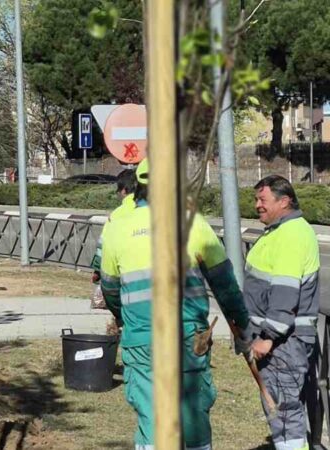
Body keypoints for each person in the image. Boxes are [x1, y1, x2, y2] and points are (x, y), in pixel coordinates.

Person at [100, 158, 252, 450]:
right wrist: (242, 326)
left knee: (152, 420)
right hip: (187, 340)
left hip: (143, 342)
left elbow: (109, 288)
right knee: (193, 421)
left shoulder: (118, 228)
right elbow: (225, 285)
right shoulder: (192, 223)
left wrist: (126, 318)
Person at [244, 175, 319, 450]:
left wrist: (268, 337)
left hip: (283, 344)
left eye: (262, 200)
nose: (257, 206)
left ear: (284, 201)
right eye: (256, 199)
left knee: (285, 413)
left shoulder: (291, 234)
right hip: (279, 342)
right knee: (280, 412)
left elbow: (285, 293)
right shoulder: (279, 231)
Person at [91, 168, 138, 283]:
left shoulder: (117, 215)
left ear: (123, 191)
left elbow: (104, 244)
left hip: (124, 274)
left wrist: (97, 271)